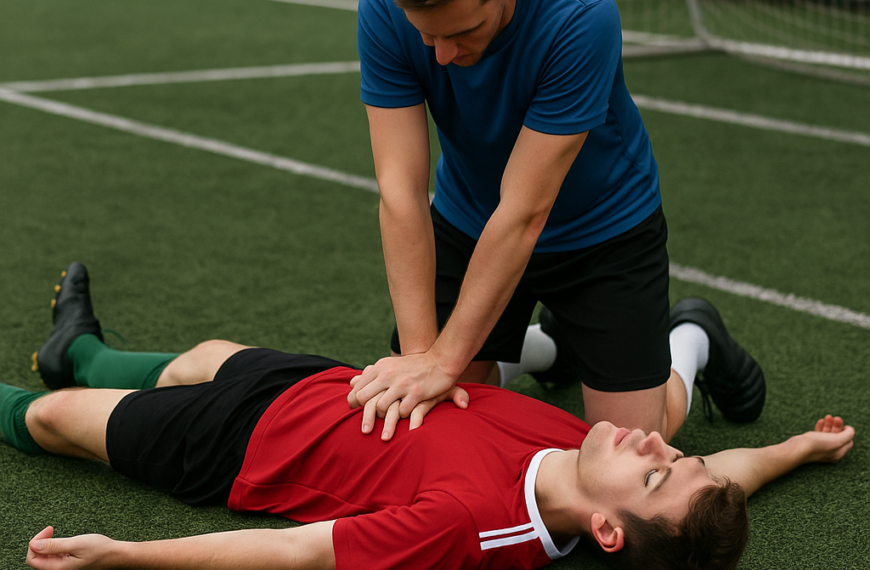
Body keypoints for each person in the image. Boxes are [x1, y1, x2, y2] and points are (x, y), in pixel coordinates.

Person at [2, 263, 854, 570]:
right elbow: (724, 476)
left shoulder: (476, 530)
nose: (655, 442)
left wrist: (126, 555)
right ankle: (77, 345)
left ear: (604, 529)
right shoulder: (592, 455)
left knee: (52, 422)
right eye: (677, 453)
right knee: (196, 355)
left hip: (231, 450)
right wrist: (795, 450)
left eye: (657, 470)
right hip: (332, 385)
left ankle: (62, 375)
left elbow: (300, 551)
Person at [350, 0, 767, 441]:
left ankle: (692, 336)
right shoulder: (384, 7)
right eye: (427, 36)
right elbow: (401, 191)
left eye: (463, 33)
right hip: (469, 219)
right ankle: (548, 349)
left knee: (628, 447)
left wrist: (444, 362)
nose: (443, 55)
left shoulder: (582, 14)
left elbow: (523, 211)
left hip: (603, 230)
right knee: (421, 424)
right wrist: (421, 358)